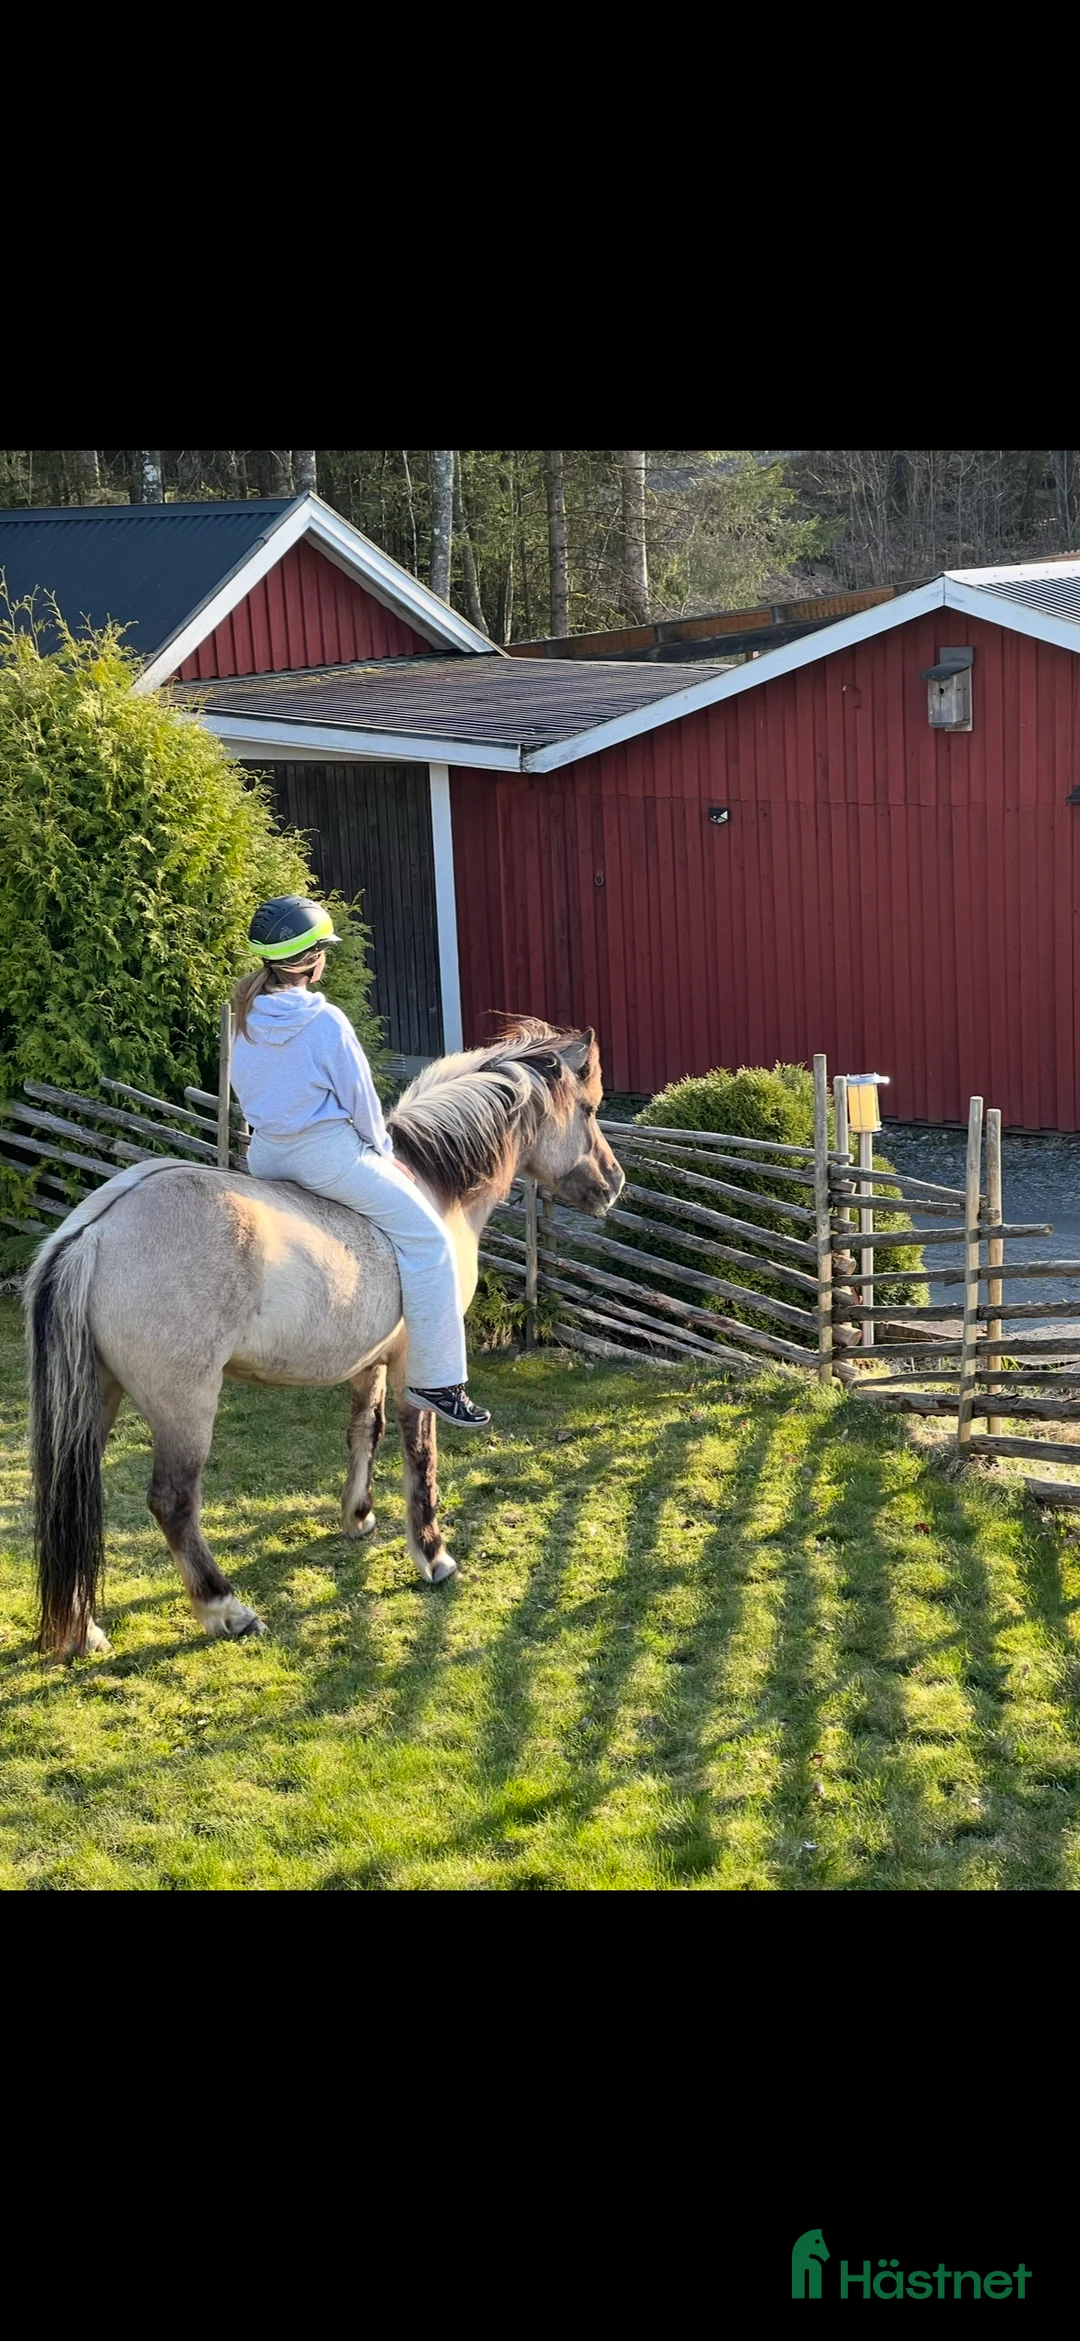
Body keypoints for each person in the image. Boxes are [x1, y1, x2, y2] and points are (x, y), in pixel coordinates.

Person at [229, 896, 491, 1430]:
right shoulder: (326, 1022)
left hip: (266, 1155)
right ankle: (439, 1380)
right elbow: (362, 1102)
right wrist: (383, 1153)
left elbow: (243, 1086)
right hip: (327, 1157)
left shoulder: (243, 1012)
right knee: (429, 1240)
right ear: (315, 958)